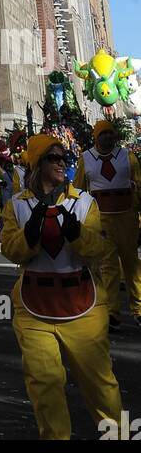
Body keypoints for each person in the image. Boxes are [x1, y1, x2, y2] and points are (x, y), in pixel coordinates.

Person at [1, 133, 123, 441]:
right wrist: (30, 235)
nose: (62, 164)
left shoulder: (84, 202)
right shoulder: (16, 205)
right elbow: (10, 250)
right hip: (33, 308)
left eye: (64, 158)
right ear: (38, 163)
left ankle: (116, 435)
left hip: (83, 304)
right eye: (54, 158)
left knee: (99, 383)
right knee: (45, 383)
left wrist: (76, 233)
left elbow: (97, 248)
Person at [74, 120, 141, 329]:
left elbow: (139, 186)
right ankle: (112, 312)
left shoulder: (127, 157)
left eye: (110, 133)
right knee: (109, 268)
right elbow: (79, 190)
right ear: (96, 136)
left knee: (132, 265)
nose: (107, 137)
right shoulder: (86, 159)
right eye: (103, 134)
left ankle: (139, 309)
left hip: (127, 219)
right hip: (102, 221)